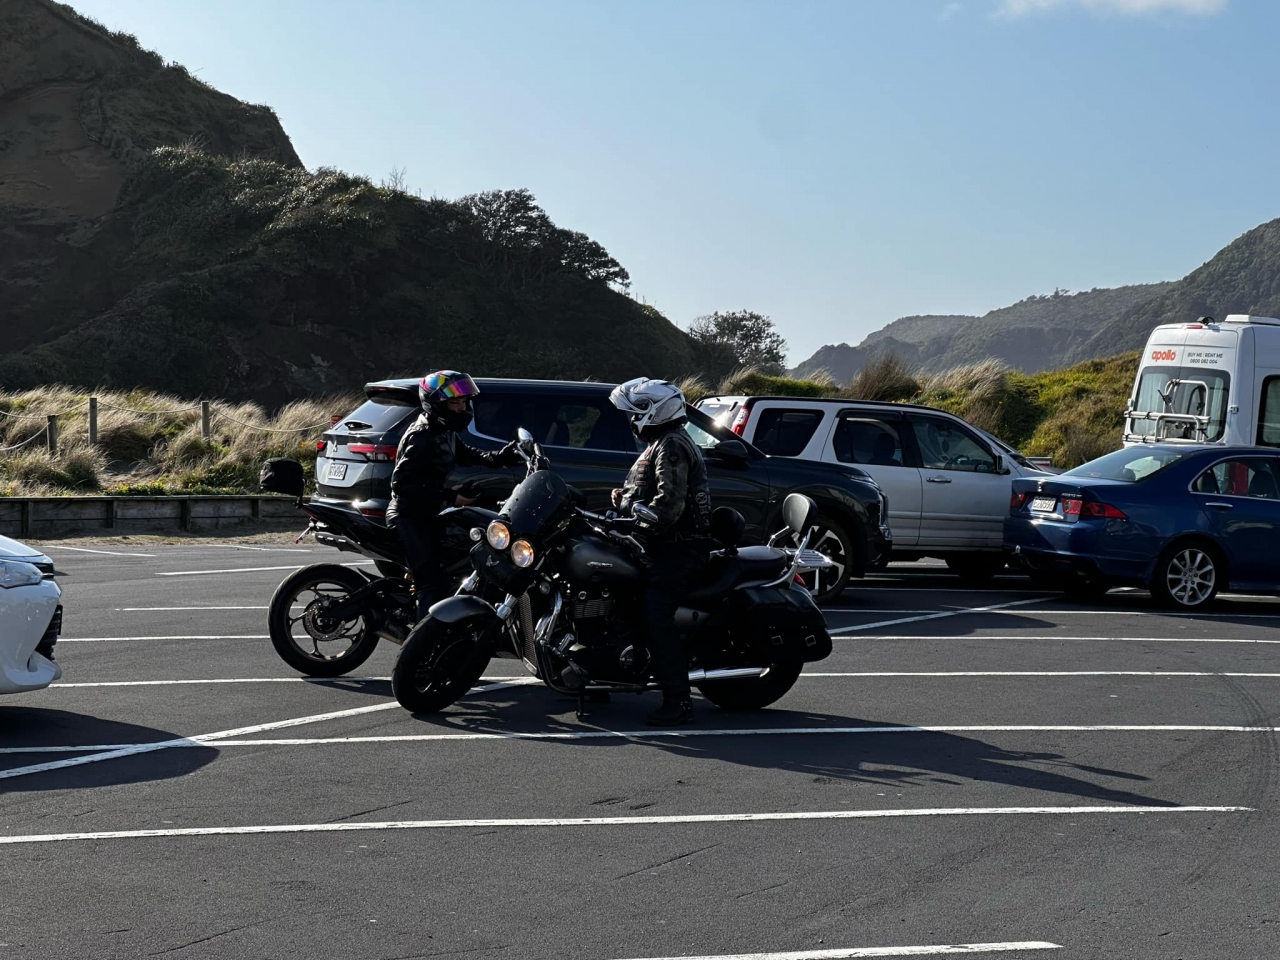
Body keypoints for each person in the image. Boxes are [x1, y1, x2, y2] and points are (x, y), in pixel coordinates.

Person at [608, 377, 713, 726]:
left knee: (656, 615)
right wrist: (623, 503)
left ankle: (678, 700)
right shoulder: (661, 442)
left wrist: (635, 525)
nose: (629, 420)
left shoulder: (671, 445)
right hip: (660, 545)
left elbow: (668, 504)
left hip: (678, 549)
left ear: (650, 412)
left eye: (632, 413)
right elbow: (647, 491)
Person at [386, 371, 521, 620]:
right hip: (409, 517)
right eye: (454, 403)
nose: (461, 408)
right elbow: (402, 486)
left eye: (462, 402)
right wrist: (449, 497)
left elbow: (468, 454)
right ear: (436, 404)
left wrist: (502, 456)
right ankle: (422, 645)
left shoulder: (442, 430)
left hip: (428, 513)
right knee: (431, 584)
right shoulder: (422, 437)